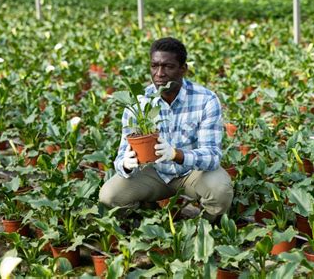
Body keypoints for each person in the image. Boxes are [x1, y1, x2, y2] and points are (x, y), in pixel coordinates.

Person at [99, 37, 233, 222]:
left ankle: (205, 228)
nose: (159, 73)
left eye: (168, 66)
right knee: (109, 196)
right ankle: (145, 222)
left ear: (183, 69)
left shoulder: (206, 100)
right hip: (153, 171)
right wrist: (126, 164)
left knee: (220, 189)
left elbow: (212, 156)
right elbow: (122, 154)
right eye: (154, 66)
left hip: (192, 172)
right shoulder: (138, 102)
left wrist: (177, 155)